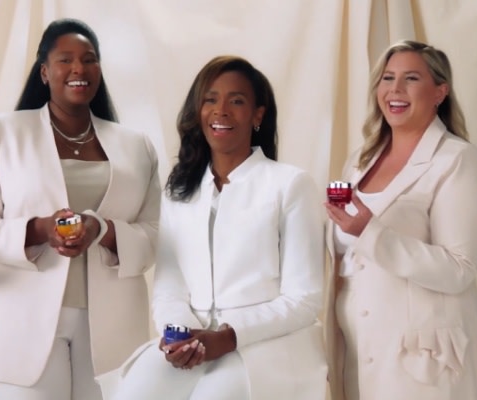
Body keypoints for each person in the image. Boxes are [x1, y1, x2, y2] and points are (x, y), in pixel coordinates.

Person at [0, 18, 160, 400]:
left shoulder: (137, 146)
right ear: (44, 72)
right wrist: (39, 229)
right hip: (20, 326)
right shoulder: (4, 132)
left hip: (112, 330)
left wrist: (100, 230)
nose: (78, 69)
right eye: (65, 60)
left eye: (89, 59)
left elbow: (155, 234)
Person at [111, 56, 328, 400]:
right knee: (134, 391)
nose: (221, 110)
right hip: (195, 339)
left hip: (264, 344)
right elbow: (169, 288)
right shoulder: (179, 190)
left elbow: (304, 299)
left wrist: (227, 337)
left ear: (258, 114)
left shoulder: (290, 185)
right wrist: (179, 336)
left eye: (237, 101)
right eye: (210, 99)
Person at [323, 40, 477, 400]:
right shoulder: (360, 161)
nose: (395, 90)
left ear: (440, 91)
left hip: (424, 358)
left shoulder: (459, 161)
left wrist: (371, 233)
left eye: (411, 78)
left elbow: (459, 268)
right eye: (387, 78)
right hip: (359, 351)